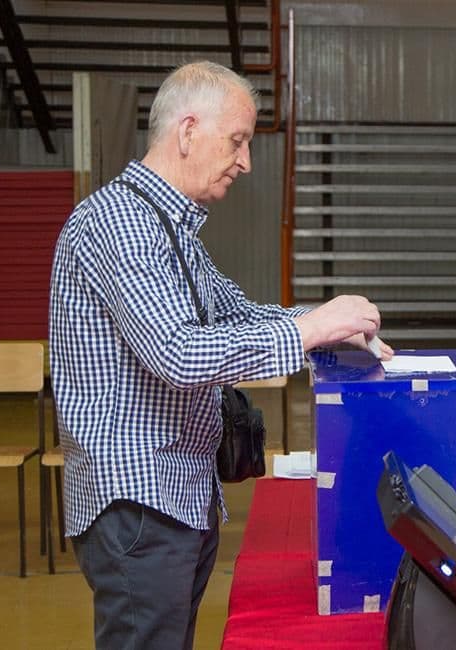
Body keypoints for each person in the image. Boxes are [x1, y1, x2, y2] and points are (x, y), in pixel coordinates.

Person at [48, 61, 392, 649]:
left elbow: (235, 315)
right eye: (237, 141)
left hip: (175, 493)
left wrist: (323, 326)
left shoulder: (167, 225)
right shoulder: (121, 222)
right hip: (139, 501)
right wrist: (310, 331)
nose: (246, 161)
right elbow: (179, 353)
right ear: (187, 133)